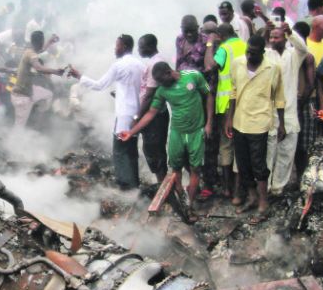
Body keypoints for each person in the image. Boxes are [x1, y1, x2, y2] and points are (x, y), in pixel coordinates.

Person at [119, 63, 214, 222]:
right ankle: (184, 206)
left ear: (169, 72)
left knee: (195, 168)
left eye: (163, 80)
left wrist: (209, 123)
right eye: (159, 83)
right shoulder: (162, 91)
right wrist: (131, 132)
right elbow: (151, 113)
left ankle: (189, 206)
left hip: (196, 131)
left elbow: (209, 95)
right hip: (177, 132)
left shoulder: (193, 76)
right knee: (175, 169)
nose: (162, 85)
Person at [69, 35, 145, 190]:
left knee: (120, 151)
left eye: (116, 45)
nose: (114, 48)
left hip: (124, 114)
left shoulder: (118, 65)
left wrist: (79, 76)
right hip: (137, 113)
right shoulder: (141, 64)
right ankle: (134, 182)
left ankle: (125, 186)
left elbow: (99, 85)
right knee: (131, 149)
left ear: (123, 46)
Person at [224, 35, 286, 222]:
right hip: (240, 121)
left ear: (262, 52)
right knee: (243, 164)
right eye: (247, 52)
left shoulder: (273, 68)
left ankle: (263, 203)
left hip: (259, 123)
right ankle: (251, 197)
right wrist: (229, 118)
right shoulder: (237, 64)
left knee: (259, 164)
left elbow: (279, 97)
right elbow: (233, 92)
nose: (249, 55)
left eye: (253, 53)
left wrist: (281, 123)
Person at [204, 23, 248, 198]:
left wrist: (209, 44)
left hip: (226, 104)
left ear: (220, 36)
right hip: (245, 102)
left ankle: (228, 187)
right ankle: (241, 187)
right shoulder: (245, 45)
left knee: (226, 146)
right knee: (242, 145)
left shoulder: (224, 48)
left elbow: (209, 66)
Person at [265, 23, 308, 195]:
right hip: (269, 111)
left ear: (284, 39)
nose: (273, 40)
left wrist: (291, 33)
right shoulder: (267, 54)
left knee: (287, 152)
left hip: (289, 111)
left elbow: (303, 49)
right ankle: (265, 186)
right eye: (271, 37)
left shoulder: (293, 55)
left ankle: (278, 187)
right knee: (268, 153)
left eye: (277, 37)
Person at [12, 30, 65, 128]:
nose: (43, 43)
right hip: (22, 96)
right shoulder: (31, 54)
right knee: (19, 127)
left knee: (49, 95)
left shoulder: (31, 51)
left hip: (29, 91)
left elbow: (41, 50)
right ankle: (14, 141)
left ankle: (37, 116)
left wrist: (50, 41)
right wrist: (56, 72)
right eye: (42, 41)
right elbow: (39, 68)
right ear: (38, 42)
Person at [136, 34, 169, 183]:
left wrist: (137, 117)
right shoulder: (155, 61)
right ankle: (162, 184)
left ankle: (164, 187)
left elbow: (149, 95)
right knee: (154, 150)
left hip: (154, 116)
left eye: (140, 47)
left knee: (154, 151)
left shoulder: (155, 64)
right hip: (155, 114)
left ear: (149, 47)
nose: (139, 50)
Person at [292, 21, 318, 184]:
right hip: (294, 103)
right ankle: (300, 176)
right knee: (296, 143)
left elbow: (311, 83)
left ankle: (304, 177)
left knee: (305, 144)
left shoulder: (307, 56)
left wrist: (301, 102)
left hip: (305, 103)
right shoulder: (291, 54)